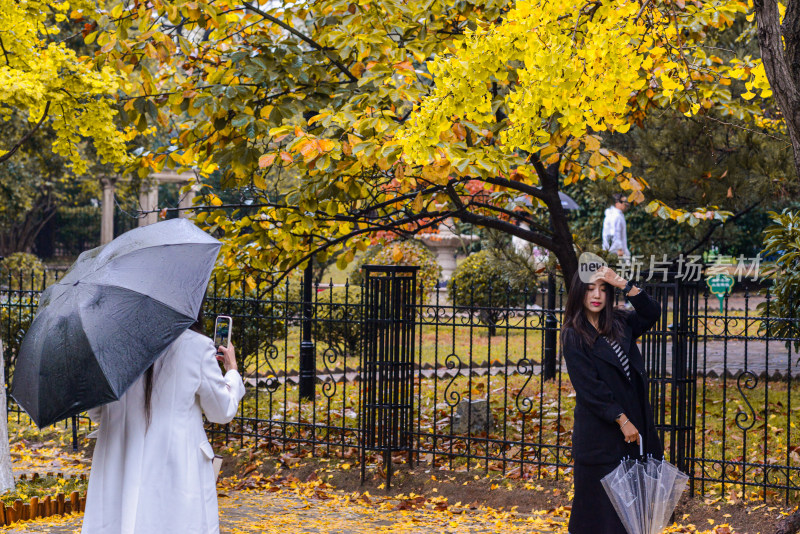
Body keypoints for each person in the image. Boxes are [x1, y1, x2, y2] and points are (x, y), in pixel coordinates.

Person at [81, 318, 245, 534]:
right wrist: (232, 371)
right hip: (177, 464)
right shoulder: (196, 346)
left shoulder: (108, 345)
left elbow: (97, 412)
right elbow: (221, 411)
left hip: (119, 462)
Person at [561, 266, 663, 534]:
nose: (597, 295)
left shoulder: (618, 322)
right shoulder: (573, 333)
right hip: (601, 435)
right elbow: (590, 388)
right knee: (598, 516)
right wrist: (622, 419)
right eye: (590, 289)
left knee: (630, 513)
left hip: (632, 430)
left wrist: (621, 283)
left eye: (603, 290)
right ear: (579, 293)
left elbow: (651, 313)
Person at [602, 193, 631, 257]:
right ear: (617, 203)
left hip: (612, 250)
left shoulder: (616, 214)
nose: (625, 204)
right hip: (615, 252)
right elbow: (614, 233)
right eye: (623, 202)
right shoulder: (615, 216)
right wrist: (619, 249)